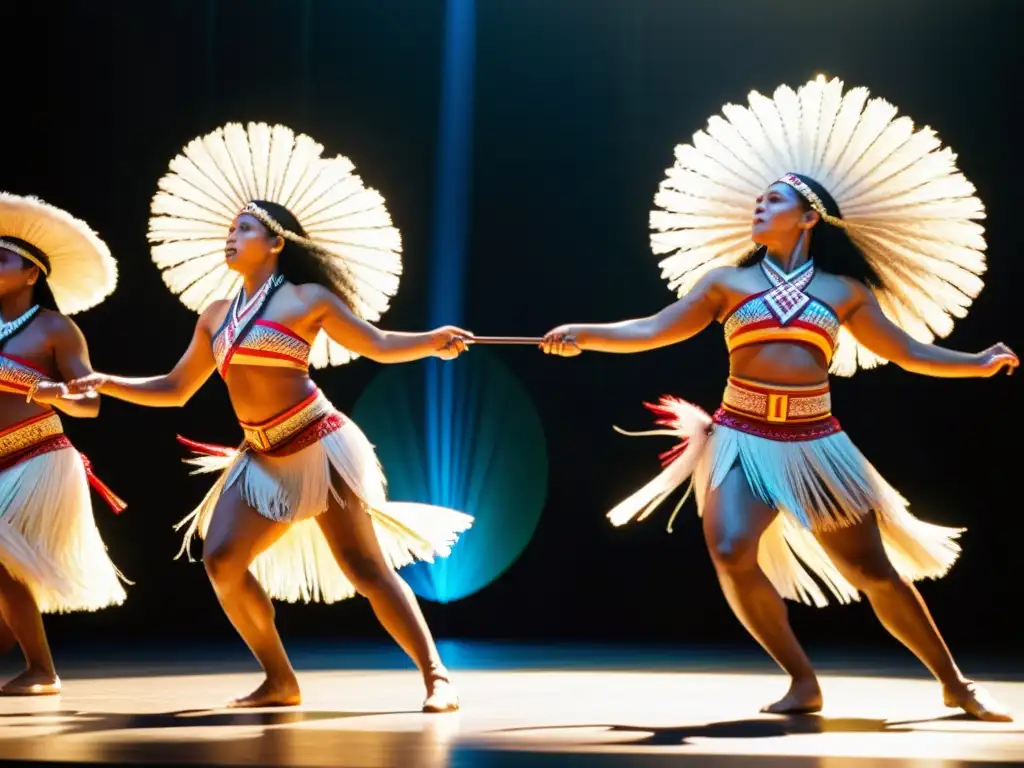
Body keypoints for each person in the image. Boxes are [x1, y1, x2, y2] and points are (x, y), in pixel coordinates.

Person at [541, 77, 1016, 721]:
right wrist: (586, 335)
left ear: (810, 216)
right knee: (732, 550)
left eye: (774, 200)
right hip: (741, 435)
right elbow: (652, 330)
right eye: (757, 201)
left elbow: (908, 352)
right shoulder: (726, 283)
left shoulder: (844, 290)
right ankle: (802, 679)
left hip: (817, 445)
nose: (758, 208)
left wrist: (977, 363)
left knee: (874, 572)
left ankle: (955, 685)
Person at [69, 123, 473, 712]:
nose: (230, 237)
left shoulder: (308, 300)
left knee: (363, 566)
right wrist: (106, 380)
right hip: (260, 454)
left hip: (319, 443)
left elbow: (379, 344)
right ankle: (280, 680)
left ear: (276, 242)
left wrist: (432, 339)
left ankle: (437, 675)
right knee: (222, 560)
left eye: (244, 228)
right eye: (230, 229)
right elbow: (176, 390)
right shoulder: (215, 315)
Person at [0, 192, 128, 695]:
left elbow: (90, 404)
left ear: (32, 274)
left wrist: (51, 391)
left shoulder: (56, 329)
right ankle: (32, 661)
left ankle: (43, 670)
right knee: (9, 583)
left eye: (2, 258)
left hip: (39, 459)